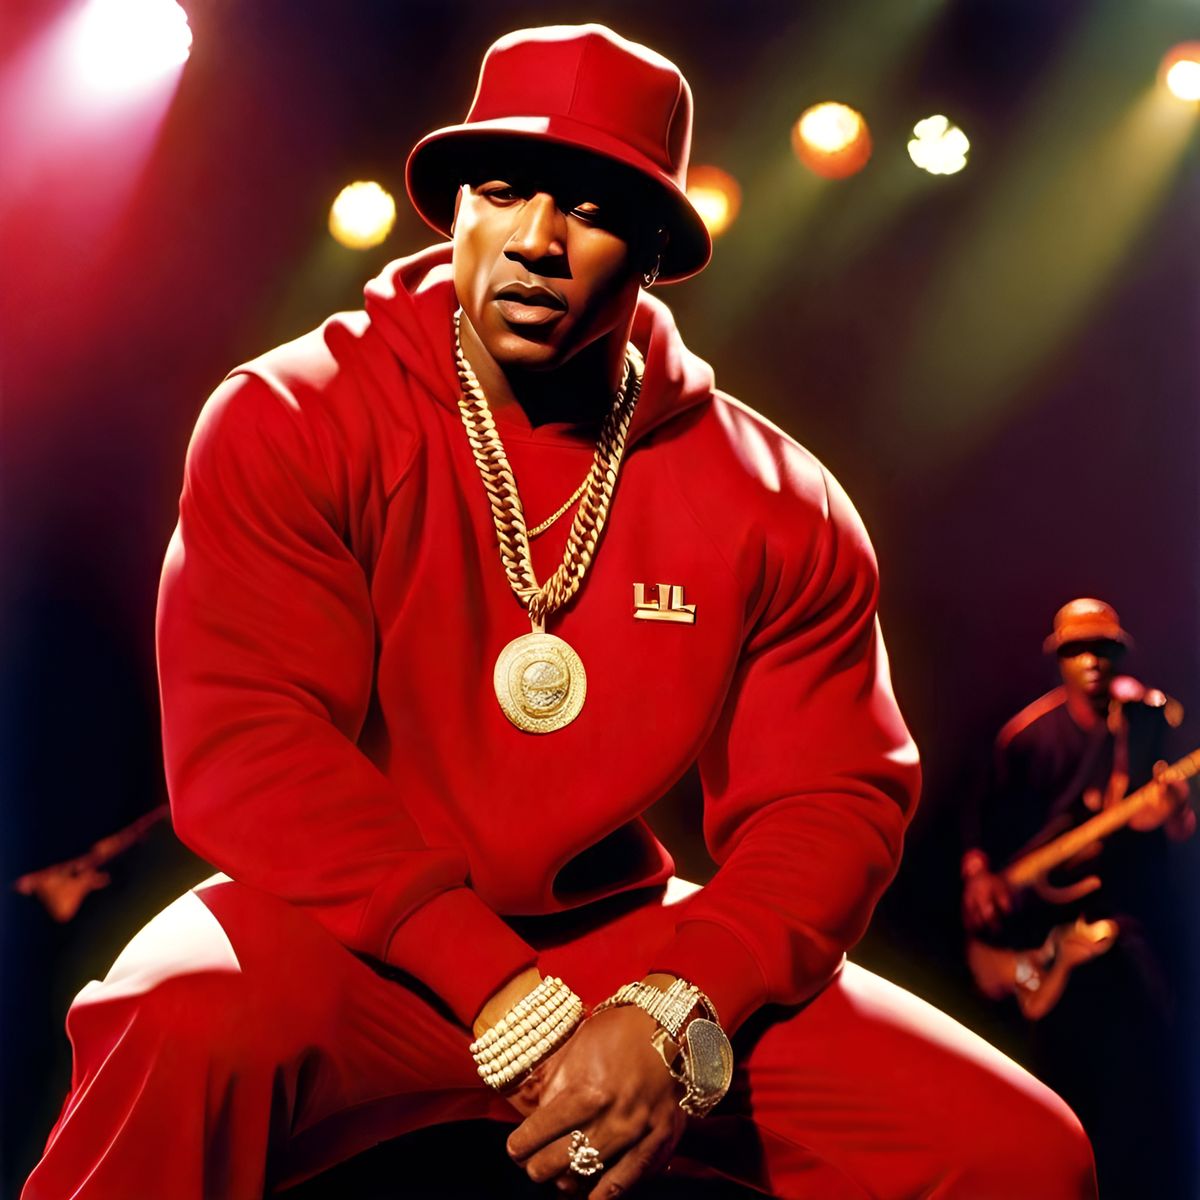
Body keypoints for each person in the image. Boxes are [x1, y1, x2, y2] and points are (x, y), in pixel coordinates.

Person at [25, 25, 1096, 1199]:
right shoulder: (295, 414)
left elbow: (828, 802)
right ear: (455, 206)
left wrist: (679, 1007)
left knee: (1018, 1157)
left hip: (631, 956)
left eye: (590, 209)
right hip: (343, 932)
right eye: (502, 191)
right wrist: (491, 982)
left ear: (657, 246)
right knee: (176, 1020)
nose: (536, 240)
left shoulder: (777, 499)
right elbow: (253, 744)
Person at [961, 597, 1195, 1198]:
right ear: (1059, 659)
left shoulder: (1146, 721)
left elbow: (1180, 826)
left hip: (1126, 918)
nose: (1091, 661)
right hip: (1047, 926)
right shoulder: (1026, 739)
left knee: (1149, 1071)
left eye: (1102, 648)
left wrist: (1169, 814)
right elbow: (980, 828)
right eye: (1076, 650)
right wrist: (980, 876)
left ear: (1119, 654)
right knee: (1057, 1079)